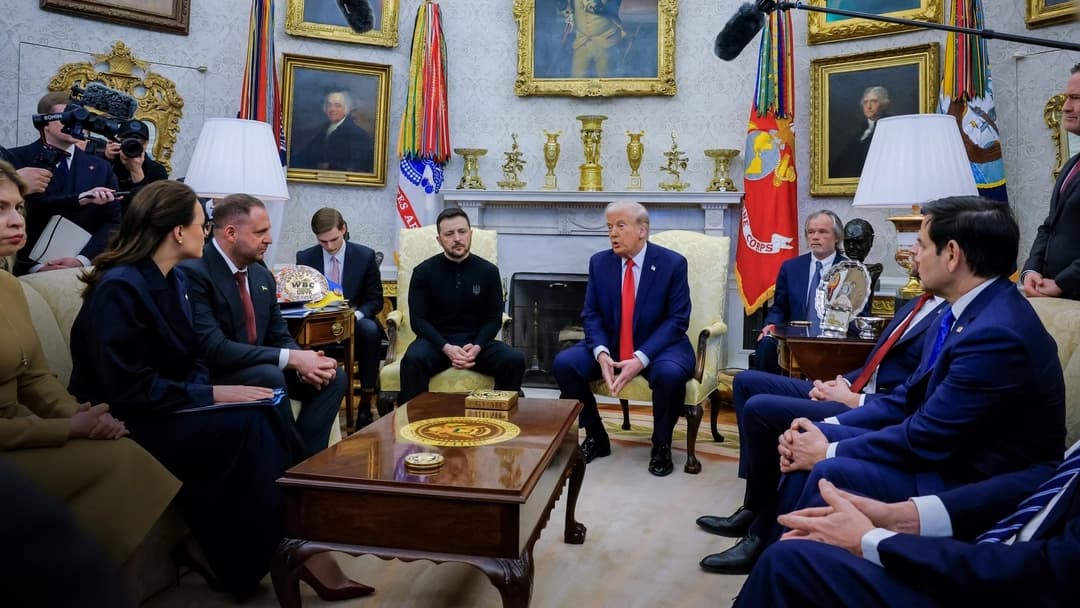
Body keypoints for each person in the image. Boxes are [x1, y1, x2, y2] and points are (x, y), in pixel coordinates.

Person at [700, 196, 1066, 575]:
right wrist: (828, 434)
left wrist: (828, 451)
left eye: (921, 245)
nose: (913, 254)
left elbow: (926, 435)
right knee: (807, 436)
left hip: (970, 481)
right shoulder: (971, 313)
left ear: (952, 254)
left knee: (825, 469)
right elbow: (910, 397)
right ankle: (776, 556)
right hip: (945, 453)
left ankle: (783, 563)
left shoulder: (994, 333)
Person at [68, 180, 371, 601]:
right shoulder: (121, 286)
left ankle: (270, 548)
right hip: (130, 419)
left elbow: (190, 358)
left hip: (171, 405)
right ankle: (291, 543)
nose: (206, 232)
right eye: (201, 224)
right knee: (253, 420)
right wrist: (214, 395)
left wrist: (212, 392)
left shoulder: (170, 280)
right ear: (177, 231)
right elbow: (128, 388)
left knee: (260, 409)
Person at [0, 159, 179, 575]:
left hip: (22, 435)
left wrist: (83, 415)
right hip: (10, 445)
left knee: (126, 454)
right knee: (127, 465)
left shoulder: (9, 286)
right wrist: (67, 429)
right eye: (1, 209)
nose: (16, 220)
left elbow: (36, 378)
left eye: (19, 208)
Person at [697, 288, 946, 553]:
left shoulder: (948, 317)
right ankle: (753, 505)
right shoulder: (919, 303)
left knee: (760, 409)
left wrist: (854, 400)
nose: (915, 252)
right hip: (852, 390)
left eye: (922, 245)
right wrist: (842, 383)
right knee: (746, 382)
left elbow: (912, 397)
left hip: (871, 407)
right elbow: (877, 361)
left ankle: (762, 532)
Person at [735, 448, 1080, 608]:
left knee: (790, 561)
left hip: (1004, 586)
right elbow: (1046, 476)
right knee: (826, 498)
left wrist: (874, 539)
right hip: (989, 545)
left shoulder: (1002, 328)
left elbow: (1051, 572)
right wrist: (901, 515)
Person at [180, 193, 346, 460]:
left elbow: (278, 333)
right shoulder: (194, 271)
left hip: (262, 366)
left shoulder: (259, 272)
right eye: (260, 232)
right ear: (231, 233)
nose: (269, 238)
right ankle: (295, 462)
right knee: (270, 375)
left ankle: (303, 462)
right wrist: (293, 358)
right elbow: (214, 348)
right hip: (219, 372)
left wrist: (304, 364)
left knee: (332, 374)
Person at [552, 201, 694, 477]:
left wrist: (640, 359)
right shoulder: (600, 263)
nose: (613, 234)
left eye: (620, 226)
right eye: (609, 227)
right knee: (565, 364)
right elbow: (591, 314)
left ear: (642, 230)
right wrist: (602, 353)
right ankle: (596, 435)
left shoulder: (672, 263)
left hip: (660, 345)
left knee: (669, 374)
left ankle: (661, 444)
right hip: (614, 343)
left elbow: (677, 320)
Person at [398, 207, 525, 404]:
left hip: (475, 343)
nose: (457, 238)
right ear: (439, 240)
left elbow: (493, 318)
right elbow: (419, 321)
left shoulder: (488, 271)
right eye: (449, 234)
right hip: (436, 343)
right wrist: (446, 347)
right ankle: (415, 427)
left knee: (513, 360)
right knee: (413, 360)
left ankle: (499, 425)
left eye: (462, 232)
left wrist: (477, 346)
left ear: (470, 234)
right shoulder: (423, 272)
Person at [7, 91, 120, 275]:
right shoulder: (14, 160)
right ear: (45, 123)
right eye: (68, 120)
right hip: (24, 271)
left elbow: (112, 222)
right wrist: (32, 266)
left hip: (80, 274)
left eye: (81, 121)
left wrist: (81, 260)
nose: (76, 126)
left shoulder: (101, 168)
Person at [296, 207, 385, 427]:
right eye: (322, 242)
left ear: (343, 229)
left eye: (334, 239)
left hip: (355, 319)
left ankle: (365, 404)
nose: (329, 246)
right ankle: (313, 401)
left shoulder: (365, 256)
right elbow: (301, 298)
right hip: (318, 321)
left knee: (370, 331)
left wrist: (355, 315)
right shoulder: (305, 257)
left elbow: (375, 300)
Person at [754, 210, 849, 374]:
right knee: (767, 345)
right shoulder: (791, 267)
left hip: (834, 342)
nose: (815, 237)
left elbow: (858, 316)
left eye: (822, 232)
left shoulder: (851, 271)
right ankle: (767, 397)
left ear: (837, 237)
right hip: (794, 340)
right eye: (811, 232)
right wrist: (771, 325)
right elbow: (779, 308)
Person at [1022, 64, 1080, 301]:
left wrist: (1063, 283)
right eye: (1067, 98)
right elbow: (1049, 226)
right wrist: (1031, 270)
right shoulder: (1072, 164)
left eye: (1075, 98)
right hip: (1055, 298)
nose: (1066, 107)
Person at [293, 89, 375, 173]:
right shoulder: (322, 130)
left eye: (337, 105)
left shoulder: (358, 135)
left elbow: (358, 167)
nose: (332, 109)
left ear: (346, 109)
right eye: (329, 105)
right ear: (324, 108)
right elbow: (306, 155)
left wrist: (330, 167)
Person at [102, 119, 168, 215]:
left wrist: (136, 170)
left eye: (138, 142)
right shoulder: (107, 162)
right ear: (117, 141)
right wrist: (106, 159)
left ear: (145, 144)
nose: (131, 145)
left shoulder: (157, 170)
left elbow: (153, 207)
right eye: (126, 140)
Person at [831, 85, 890, 179]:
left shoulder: (889, 128)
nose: (869, 106)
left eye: (874, 101)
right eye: (865, 102)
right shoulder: (858, 131)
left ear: (884, 104)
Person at [561, 0, 626, 78]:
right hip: (581, 41)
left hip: (606, 40)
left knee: (605, 80)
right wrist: (570, 19)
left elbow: (612, 9)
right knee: (576, 80)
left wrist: (593, 5)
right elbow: (567, 9)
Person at [843, 217, 882, 293]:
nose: (852, 247)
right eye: (847, 241)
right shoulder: (835, 269)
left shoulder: (873, 271)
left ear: (871, 241)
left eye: (858, 242)